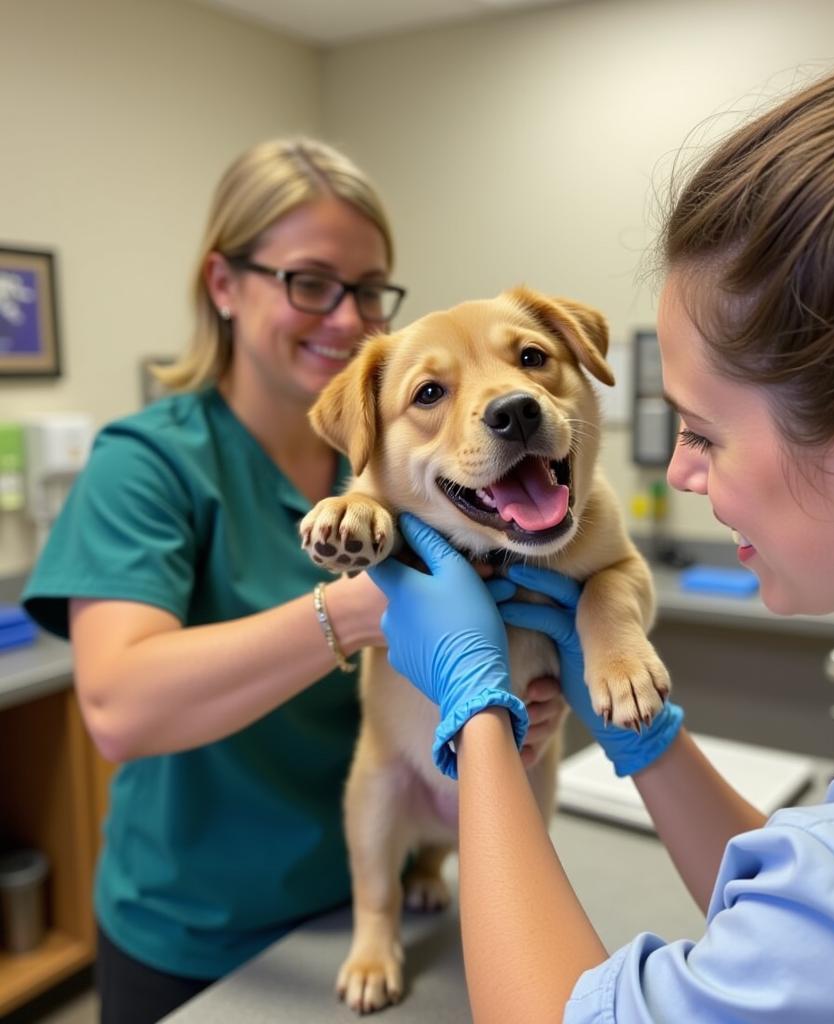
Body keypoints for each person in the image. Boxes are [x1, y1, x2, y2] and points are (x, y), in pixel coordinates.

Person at [364, 2, 834, 1020]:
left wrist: (479, 715)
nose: (676, 472)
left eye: (704, 432)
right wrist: (649, 740)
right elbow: (794, 893)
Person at [20, 136, 564, 1024]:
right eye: (310, 283)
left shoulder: (411, 454)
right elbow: (120, 706)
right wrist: (362, 607)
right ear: (224, 284)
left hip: (380, 894)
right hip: (203, 929)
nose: (350, 320)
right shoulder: (148, 463)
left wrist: (513, 704)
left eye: (371, 288)